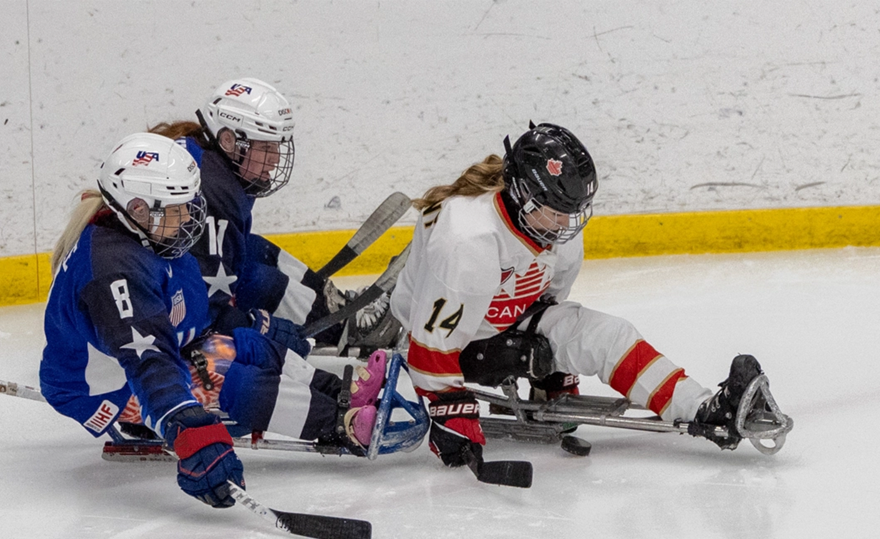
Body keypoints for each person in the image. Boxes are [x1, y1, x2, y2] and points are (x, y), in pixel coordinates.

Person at [389, 122, 767, 469]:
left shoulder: (554, 222)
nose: (566, 223)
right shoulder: (469, 242)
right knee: (525, 343)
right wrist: (448, 409)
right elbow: (430, 345)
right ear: (523, 196)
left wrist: (550, 367)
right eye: (555, 212)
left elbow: (545, 299)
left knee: (610, 334)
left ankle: (704, 409)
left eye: (571, 211)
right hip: (444, 341)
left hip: (500, 318)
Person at [39, 133, 385, 507]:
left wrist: (242, 325)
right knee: (233, 382)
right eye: (178, 208)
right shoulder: (115, 273)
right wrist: (187, 426)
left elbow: (185, 314)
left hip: (163, 350)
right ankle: (340, 423)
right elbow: (148, 363)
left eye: (190, 203)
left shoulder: (149, 236)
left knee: (250, 345)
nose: (190, 217)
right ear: (138, 208)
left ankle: (341, 393)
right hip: (109, 386)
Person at [147, 77, 401, 351]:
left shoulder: (206, 158)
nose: (276, 158)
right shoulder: (215, 191)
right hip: (162, 312)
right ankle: (342, 329)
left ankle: (334, 306)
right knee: (260, 281)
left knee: (253, 248)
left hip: (161, 288)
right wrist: (258, 326)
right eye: (266, 147)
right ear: (229, 140)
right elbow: (208, 306)